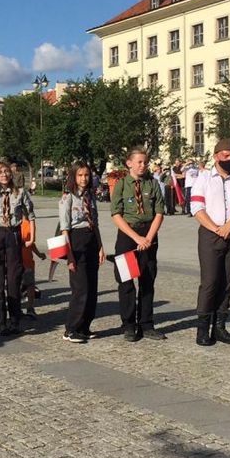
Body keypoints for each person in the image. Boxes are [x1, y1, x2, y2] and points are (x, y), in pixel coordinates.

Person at [191, 138, 230, 347]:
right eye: (226, 156)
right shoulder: (204, 178)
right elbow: (197, 207)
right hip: (210, 234)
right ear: (216, 156)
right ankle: (202, 329)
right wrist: (216, 228)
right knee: (210, 282)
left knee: (227, 283)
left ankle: (220, 327)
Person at [112, 147, 166, 341]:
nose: (143, 166)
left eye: (145, 162)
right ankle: (128, 324)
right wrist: (136, 238)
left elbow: (159, 212)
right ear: (129, 163)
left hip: (149, 233)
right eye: (139, 162)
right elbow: (116, 215)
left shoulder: (152, 184)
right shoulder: (121, 185)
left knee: (147, 279)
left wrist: (149, 238)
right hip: (128, 235)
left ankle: (146, 323)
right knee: (126, 281)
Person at [0, 161, 35, 336]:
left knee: (14, 280)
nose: (4, 175)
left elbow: (31, 215)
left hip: (14, 234)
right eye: (0, 173)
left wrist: (32, 238)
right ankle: (0, 321)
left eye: (6, 171)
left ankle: (15, 320)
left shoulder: (20, 193)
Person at [59, 162, 104, 343]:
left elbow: (96, 223)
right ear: (73, 177)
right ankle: (71, 329)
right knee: (80, 288)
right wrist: (69, 255)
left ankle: (85, 326)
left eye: (86, 175)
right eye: (80, 175)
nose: (84, 179)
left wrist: (100, 246)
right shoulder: (67, 197)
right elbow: (65, 228)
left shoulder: (90, 196)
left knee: (92, 288)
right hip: (76, 242)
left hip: (91, 240)